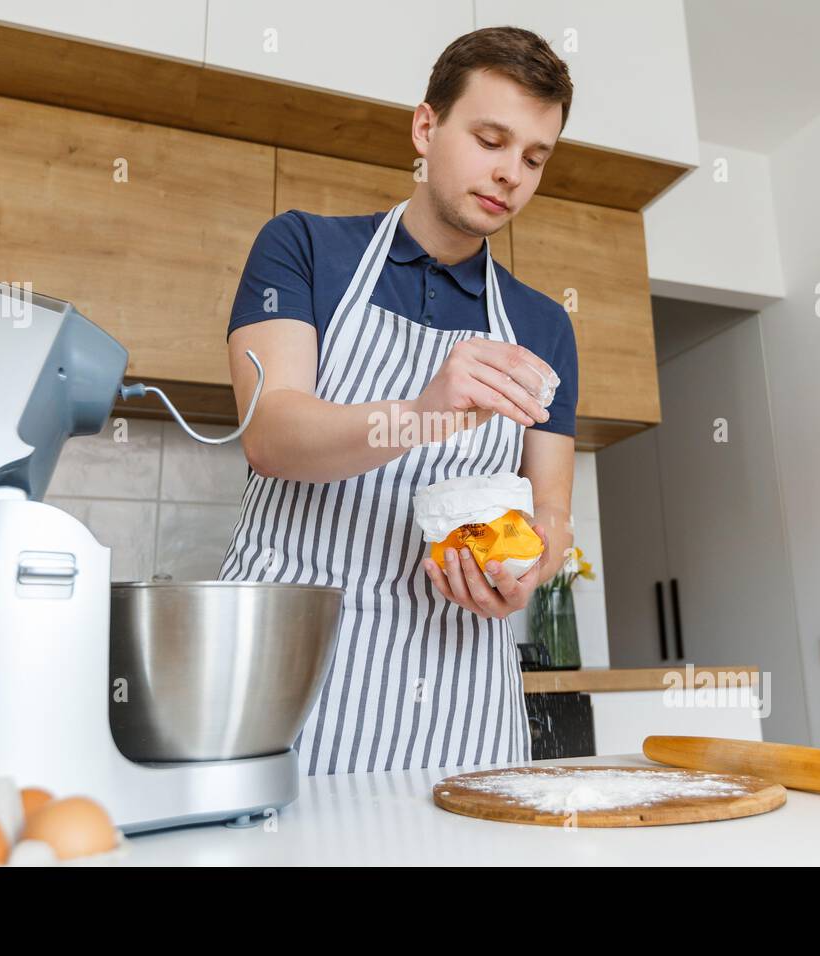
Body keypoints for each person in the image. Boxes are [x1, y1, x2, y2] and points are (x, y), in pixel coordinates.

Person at [219, 26, 578, 776]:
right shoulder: (306, 250)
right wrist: (422, 412)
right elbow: (271, 435)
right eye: (490, 139)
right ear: (426, 127)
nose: (511, 173)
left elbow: (552, 513)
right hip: (293, 681)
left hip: (463, 704)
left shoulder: (543, 325)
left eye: (534, 157)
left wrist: (523, 573)